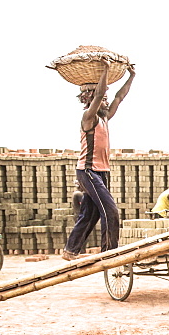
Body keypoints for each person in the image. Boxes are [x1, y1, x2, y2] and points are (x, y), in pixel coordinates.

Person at [63, 60, 136, 261]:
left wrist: (131, 77)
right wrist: (105, 71)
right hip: (88, 171)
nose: (105, 101)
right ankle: (109, 252)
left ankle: (70, 251)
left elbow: (120, 97)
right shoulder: (89, 117)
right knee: (110, 210)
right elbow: (98, 95)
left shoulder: (105, 117)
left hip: (102, 172)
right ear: (90, 100)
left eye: (106, 99)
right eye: (102, 99)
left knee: (91, 213)